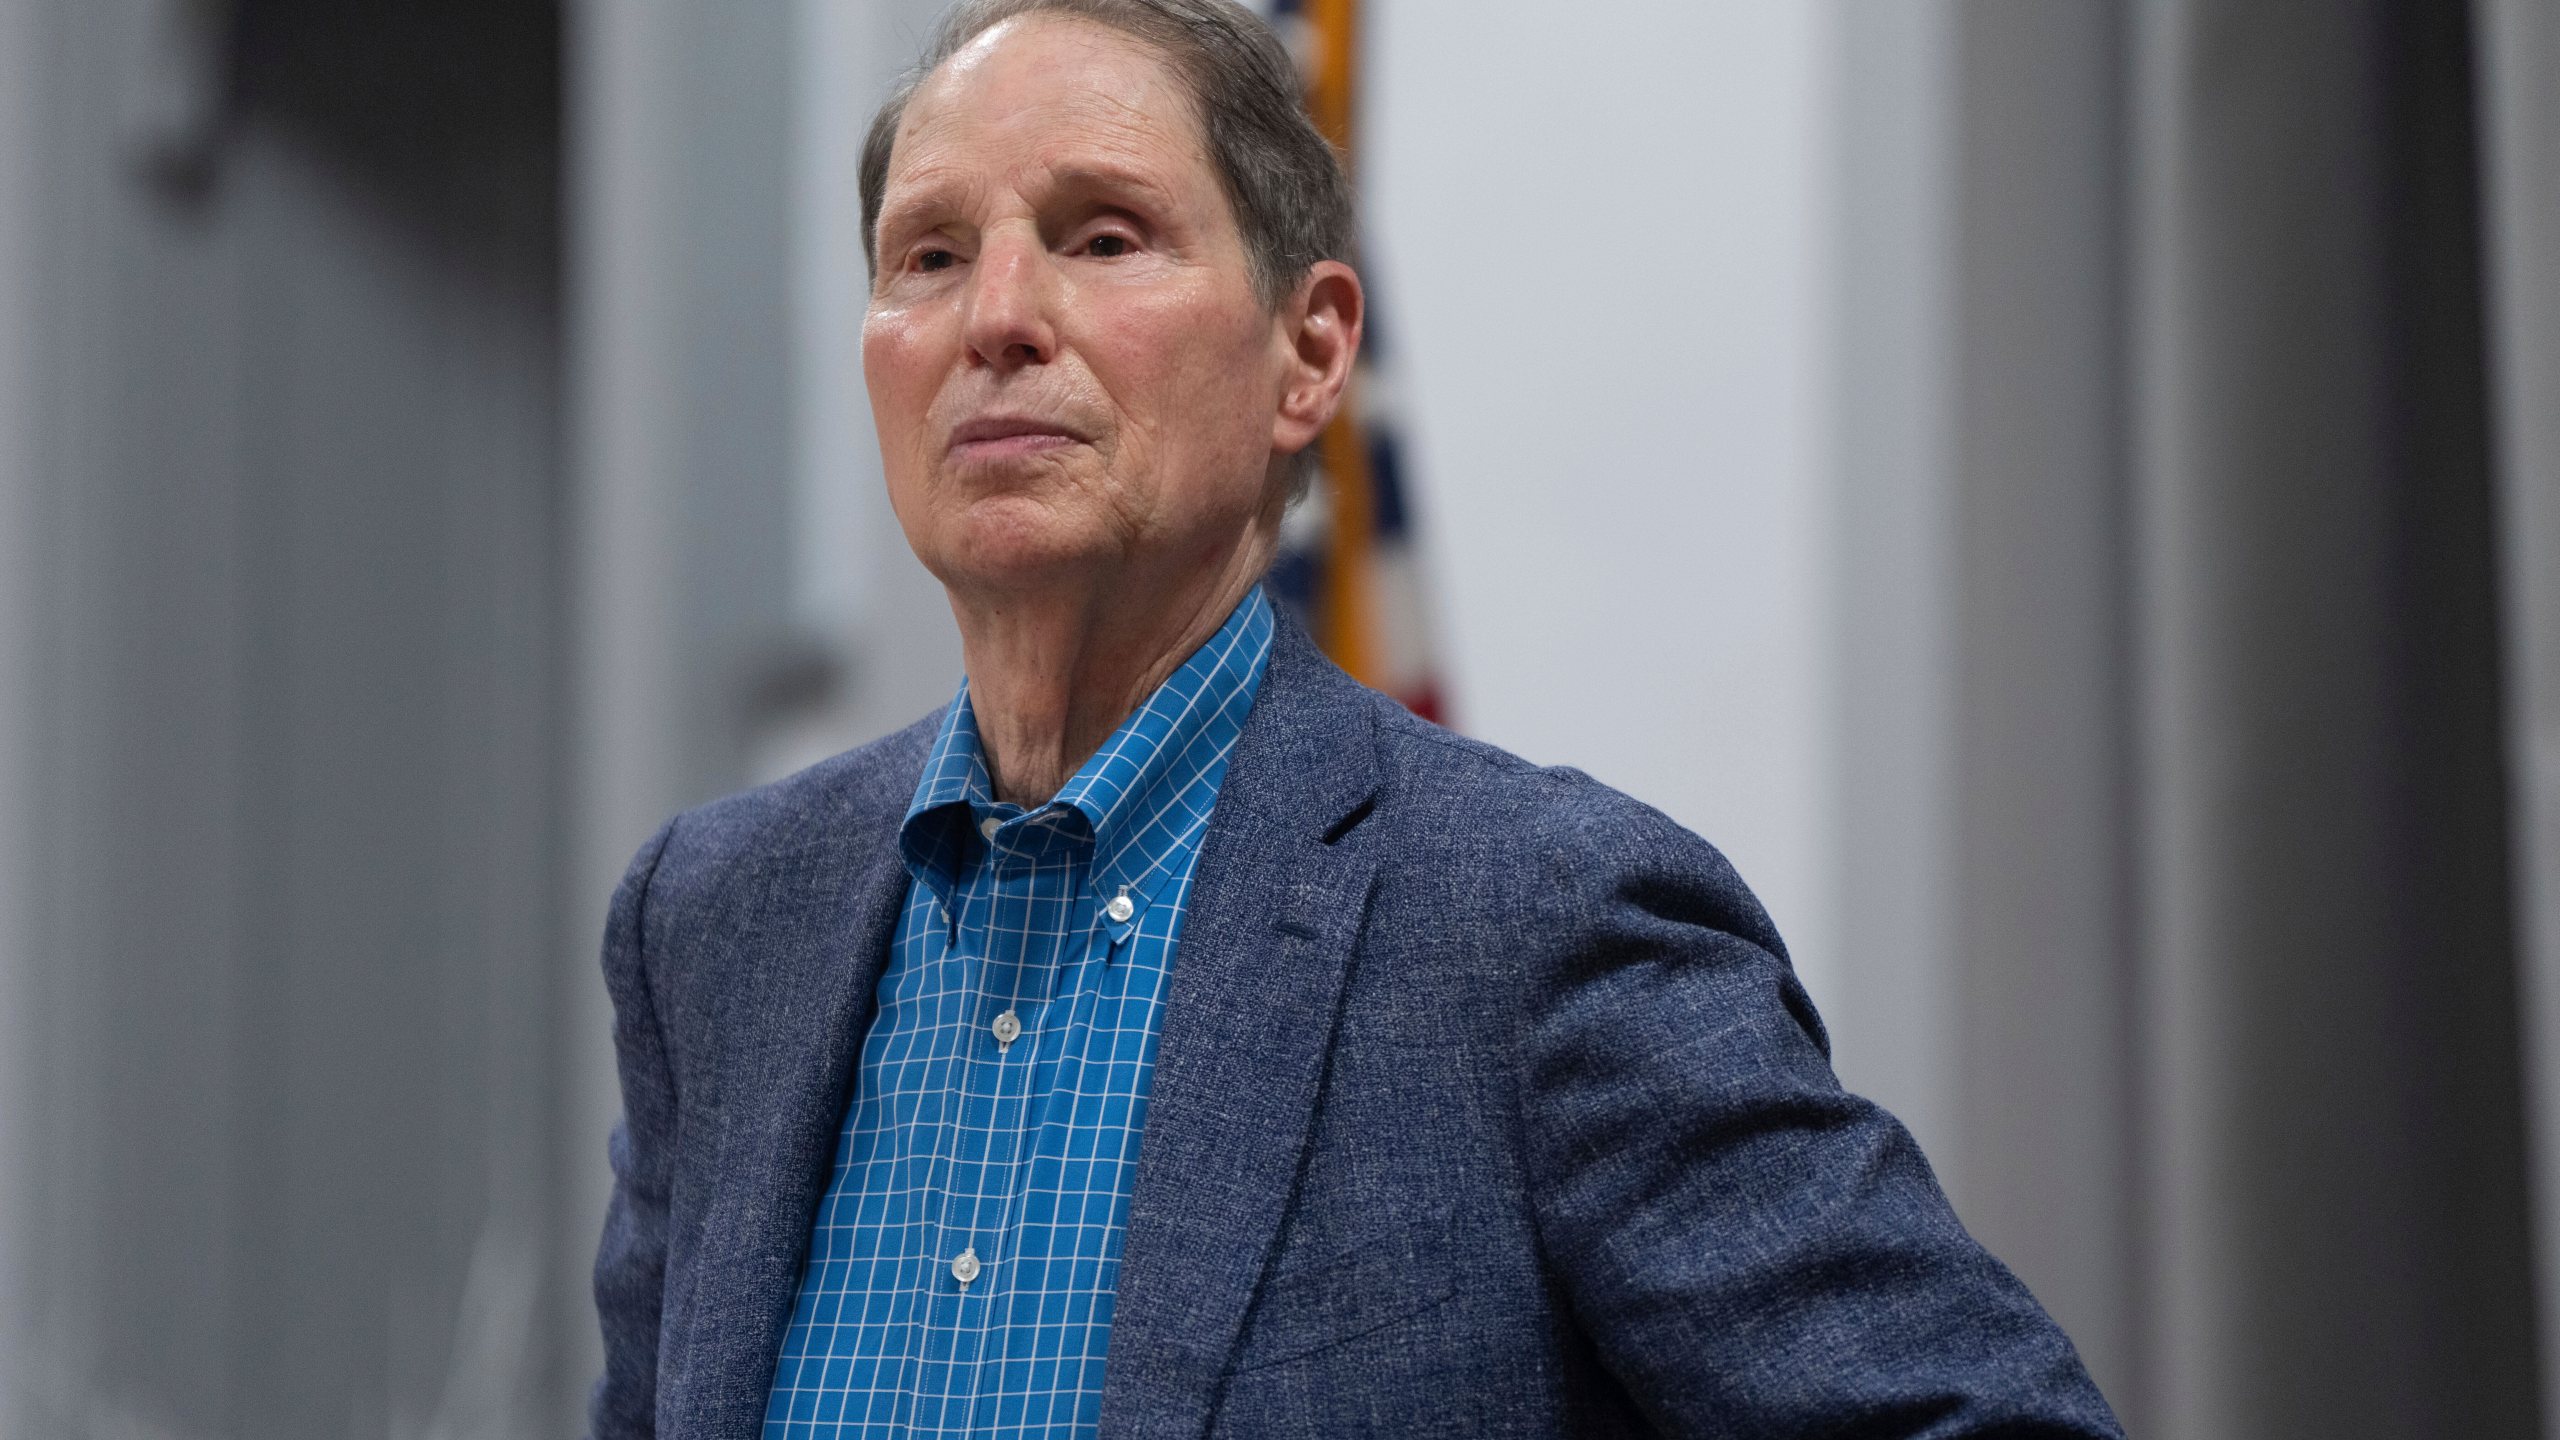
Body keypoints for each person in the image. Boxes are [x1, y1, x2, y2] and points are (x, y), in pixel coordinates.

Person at [586, 0, 2125, 1435]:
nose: (995, 317)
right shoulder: (720, 923)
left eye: (1102, 236)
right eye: (925, 256)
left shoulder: (1534, 921)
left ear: (1310, 353)